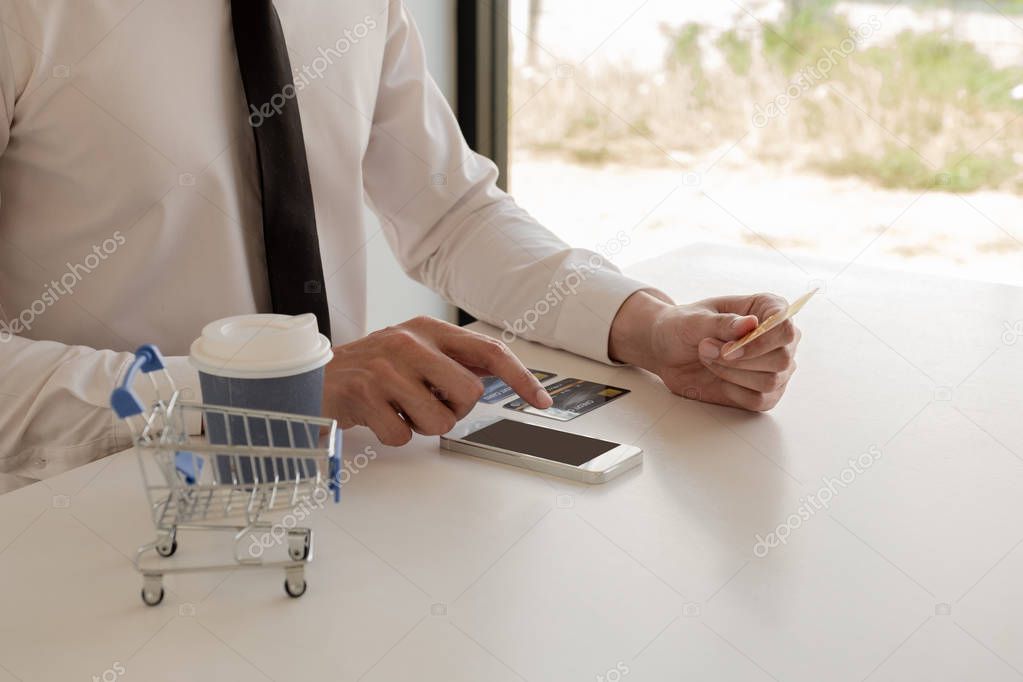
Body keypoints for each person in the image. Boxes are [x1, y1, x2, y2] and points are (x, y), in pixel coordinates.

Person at [0, 1, 800, 493]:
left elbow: (451, 213)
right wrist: (268, 395)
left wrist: (647, 327)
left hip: (337, 502)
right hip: (84, 515)